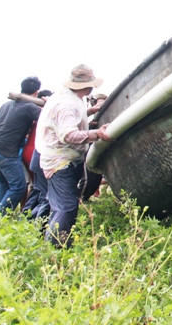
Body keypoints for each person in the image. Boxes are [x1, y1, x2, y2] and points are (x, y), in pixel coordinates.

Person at [37, 64, 111, 248]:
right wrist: (96, 134)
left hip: (61, 158)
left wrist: (90, 111)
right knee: (66, 206)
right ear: (88, 86)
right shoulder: (66, 104)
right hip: (60, 161)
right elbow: (68, 134)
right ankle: (56, 248)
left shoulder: (67, 98)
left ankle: (41, 233)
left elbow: (70, 119)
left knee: (56, 201)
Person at [0, 76, 42, 214]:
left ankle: (1, 217)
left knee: (5, 183)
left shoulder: (6, 105)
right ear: (36, 92)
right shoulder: (30, 107)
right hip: (6, 152)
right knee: (18, 187)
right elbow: (49, 119)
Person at [21, 90, 53, 220]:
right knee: (45, 192)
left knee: (37, 188)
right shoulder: (46, 116)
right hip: (40, 154)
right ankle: (38, 221)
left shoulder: (36, 118)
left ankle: (26, 215)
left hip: (30, 154)